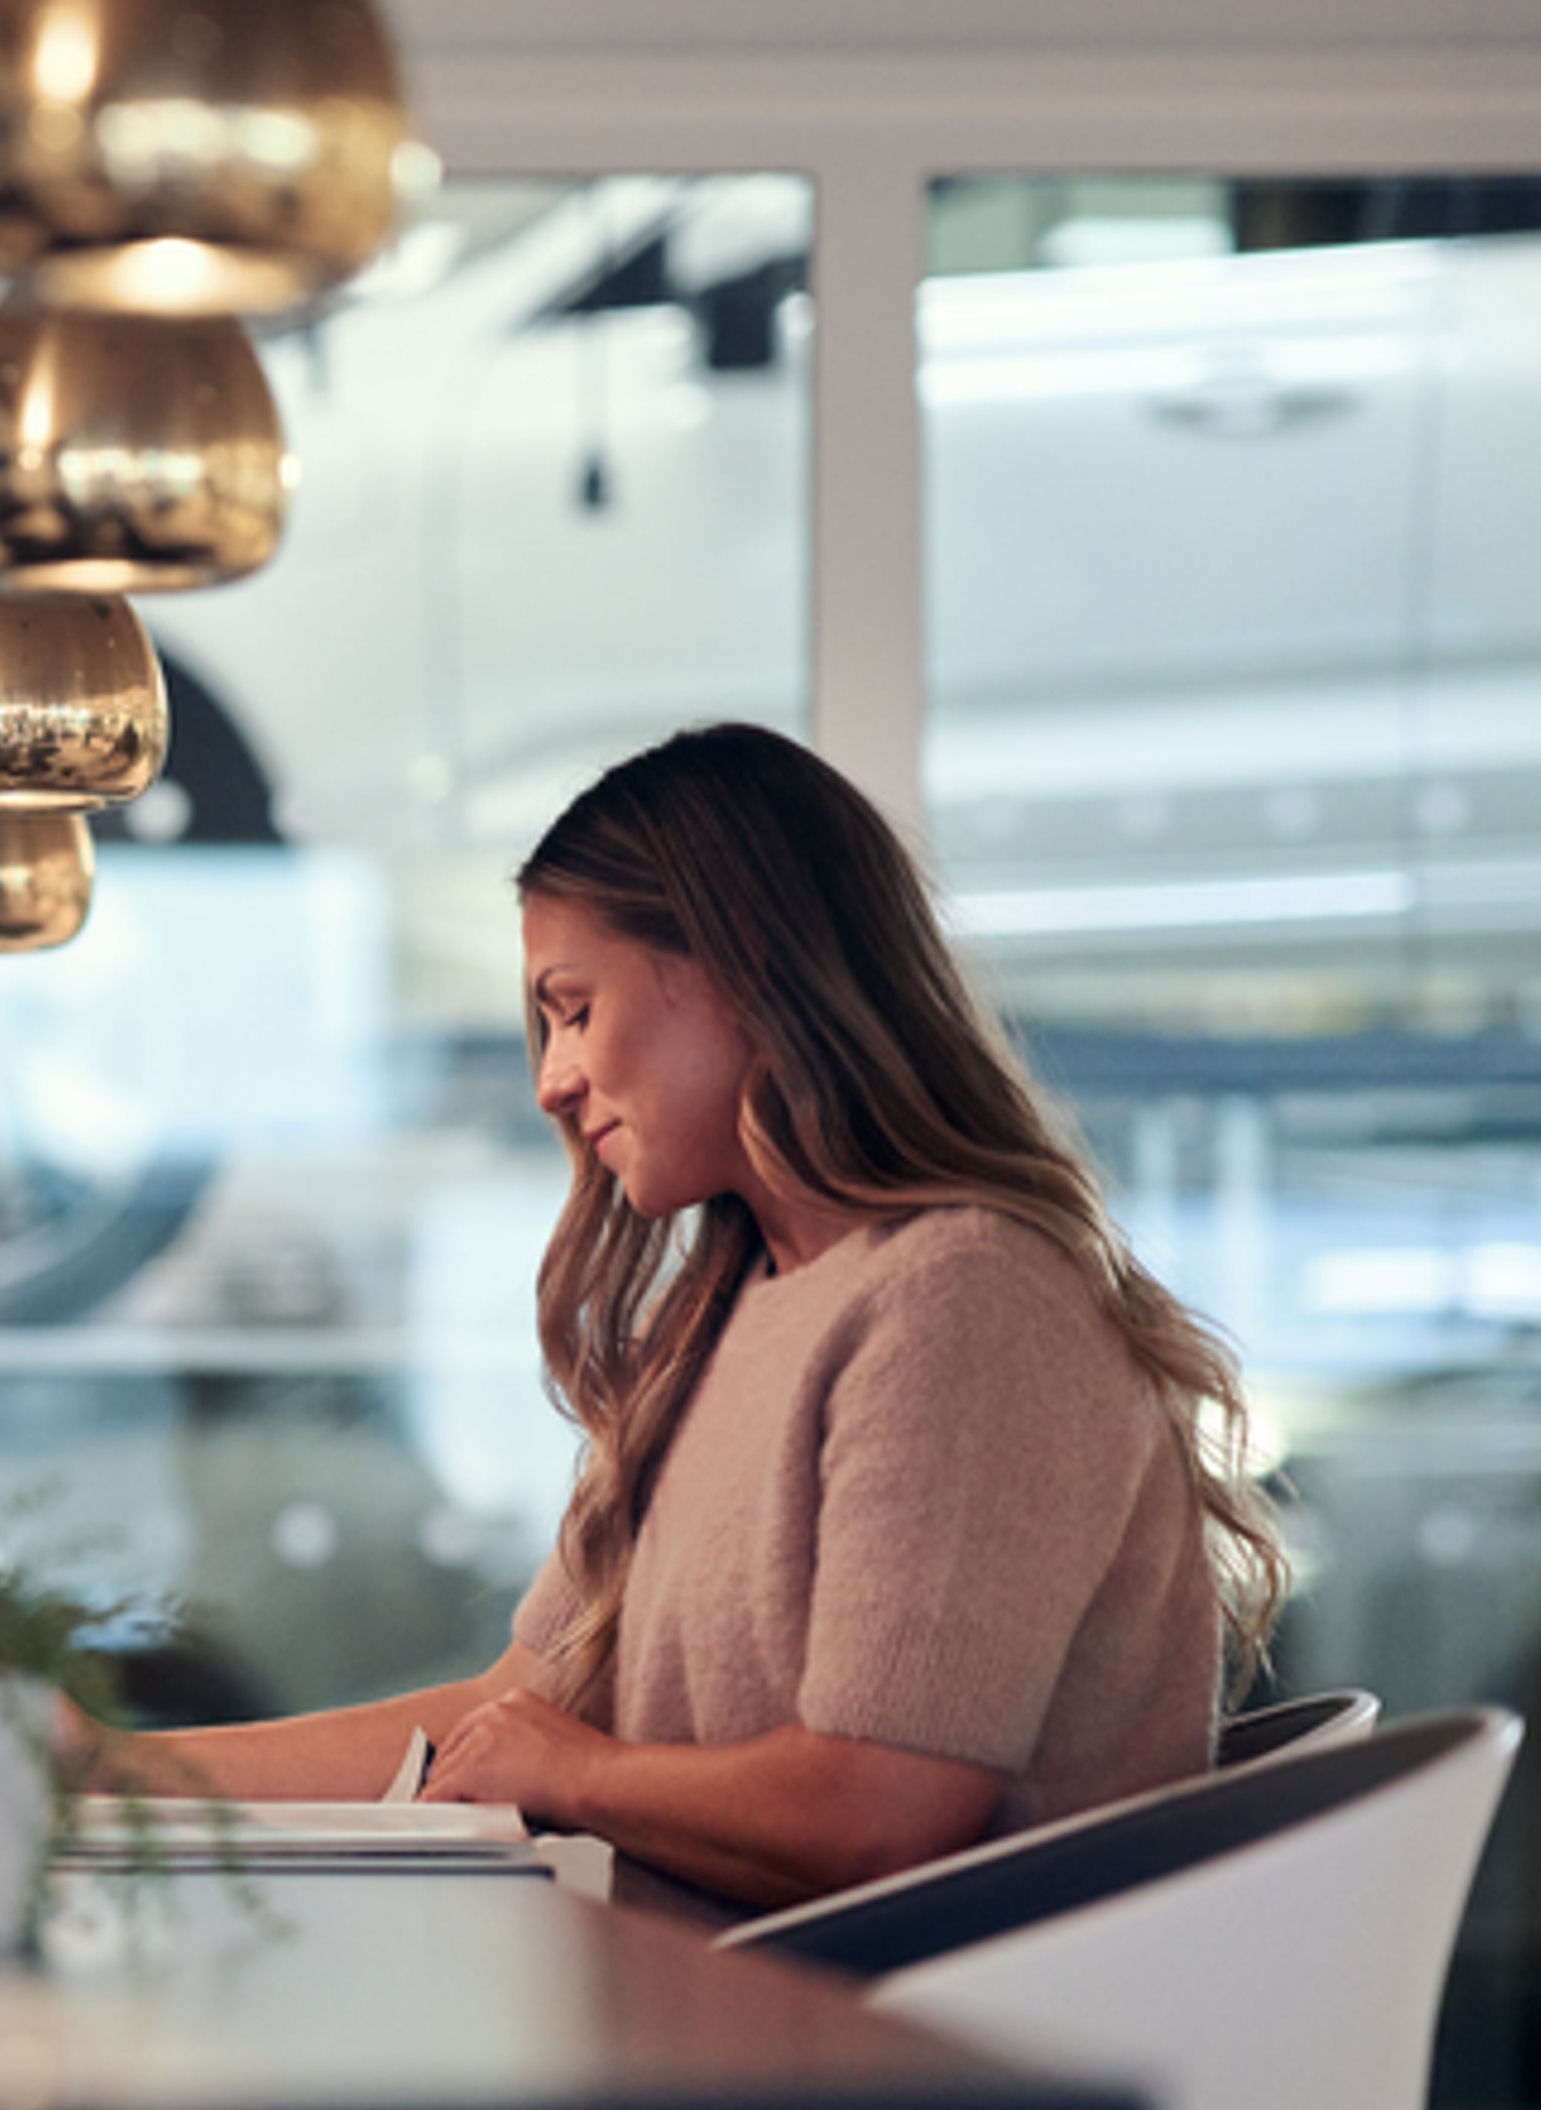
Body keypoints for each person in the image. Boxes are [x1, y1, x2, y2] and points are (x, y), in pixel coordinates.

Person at [72, 722, 1287, 1917]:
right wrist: (105, 1769)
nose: (549, 1078)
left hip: (913, 2067)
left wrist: (581, 1774)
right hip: (747, 2022)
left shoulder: (965, 1300)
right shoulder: (734, 1308)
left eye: (573, 1006)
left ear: (743, 958)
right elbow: (508, 1716)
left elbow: (879, 1816)